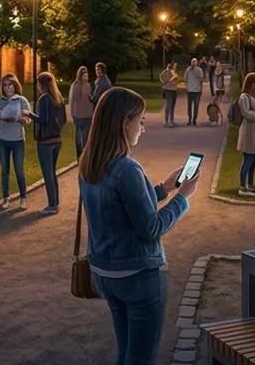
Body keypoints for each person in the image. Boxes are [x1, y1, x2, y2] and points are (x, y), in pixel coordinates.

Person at [80, 86, 197, 365]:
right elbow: (150, 227)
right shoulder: (127, 168)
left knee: (125, 353)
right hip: (138, 277)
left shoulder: (90, 164)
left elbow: (117, 207)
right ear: (125, 122)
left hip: (105, 274)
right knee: (141, 358)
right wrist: (182, 198)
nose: (142, 128)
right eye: (140, 120)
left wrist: (164, 189)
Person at [0, 74, 33, 210]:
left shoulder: (21, 100)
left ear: (15, 86)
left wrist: (22, 120)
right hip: (2, 139)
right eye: (5, 85)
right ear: (2, 87)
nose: (8, 88)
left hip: (17, 140)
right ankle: (5, 198)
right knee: (4, 170)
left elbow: (28, 121)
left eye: (10, 85)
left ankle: (23, 198)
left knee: (19, 170)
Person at [33, 72, 67, 215]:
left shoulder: (44, 99)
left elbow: (43, 120)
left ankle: (52, 205)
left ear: (42, 84)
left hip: (45, 142)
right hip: (57, 140)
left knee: (48, 174)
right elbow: (64, 119)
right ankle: (55, 202)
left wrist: (29, 114)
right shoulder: (58, 98)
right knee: (52, 173)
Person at [69, 66, 95, 159]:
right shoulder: (76, 85)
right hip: (79, 115)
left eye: (87, 74)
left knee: (85, 137)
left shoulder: (87, 85)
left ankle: (84, 156)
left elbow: (90, 98)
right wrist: (72, 113)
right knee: (80, 136)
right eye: (84, 75)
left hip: (86, 115)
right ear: (80, 75)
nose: (86, 76)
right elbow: (72, 100)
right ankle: (80, 156)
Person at [184, 59, 204, 126]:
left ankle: (194, 119)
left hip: (197, 91)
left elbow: (201, 80)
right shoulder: (188, 70)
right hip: (190, 91)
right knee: (189, 105)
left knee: (196, 105)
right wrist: (186, 86)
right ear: (191, 62)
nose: (193, 63)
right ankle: (190, 118)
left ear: (196, 63)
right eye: (192, 62)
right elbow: (185, 78)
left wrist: (201, 89)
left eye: (194, 62)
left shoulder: (199, 70)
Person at [159, 62, 179, 128]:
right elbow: (161, 76)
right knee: (168, 105)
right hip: (168, 90)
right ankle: (166, 121)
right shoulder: (168, 71)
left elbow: (176, 82)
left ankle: (172, 120)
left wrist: (175, 82)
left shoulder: (175, 73)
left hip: (174, 90)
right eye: (174, 65)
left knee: (173, 106)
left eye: (176, 65)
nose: (175, 66)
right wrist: (164, 82)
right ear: (172, 65)